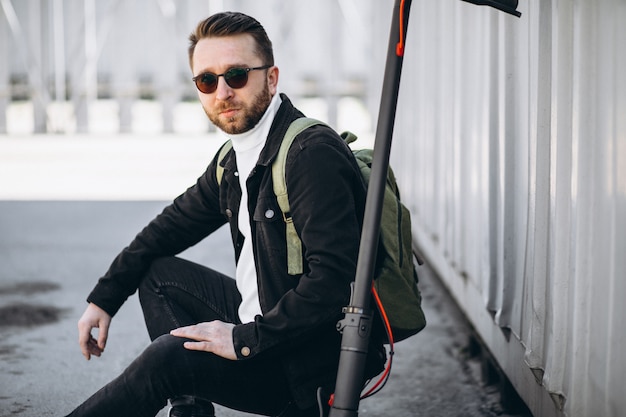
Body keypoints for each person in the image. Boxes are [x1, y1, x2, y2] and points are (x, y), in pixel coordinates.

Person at [65, 11, 385, 417]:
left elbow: (337, 282)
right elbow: (167, 230)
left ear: (271, 78)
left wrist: (244, 339)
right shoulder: (235, 158)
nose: (222, 92)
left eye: (236, 75)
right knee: (156, 272)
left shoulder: (309, 155)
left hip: (305, 367)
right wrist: (104, 298)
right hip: (266, 325)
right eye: (206, 80)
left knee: (169, 357)